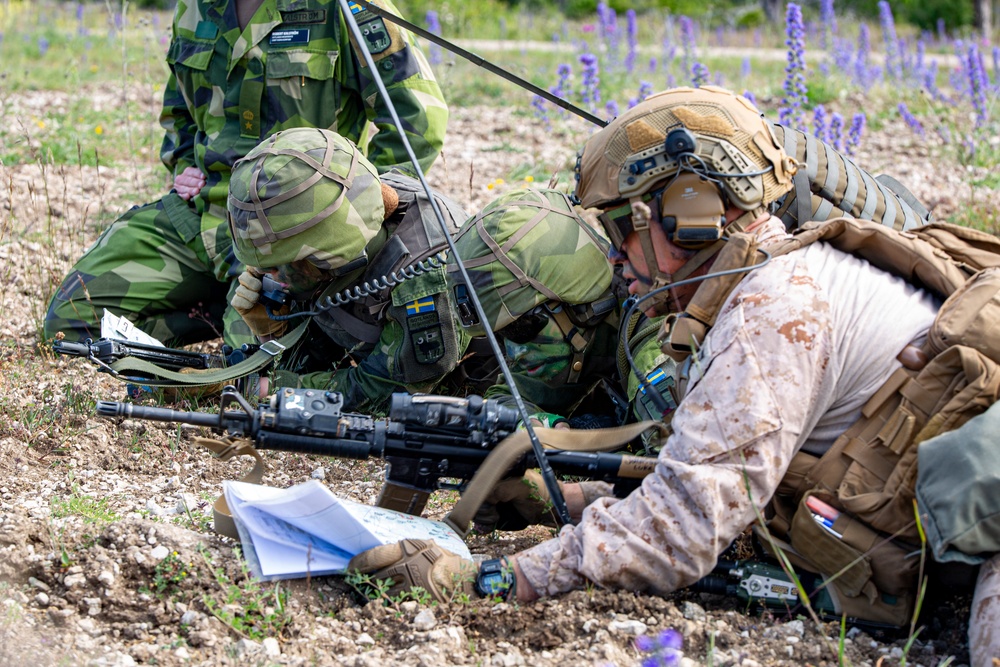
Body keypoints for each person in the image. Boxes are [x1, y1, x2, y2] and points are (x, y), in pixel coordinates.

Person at [347, 86, 1000, 662]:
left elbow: (680, 531)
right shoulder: (756, 288)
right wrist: (560, 500)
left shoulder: (771, 307)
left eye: (619, 225)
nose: (611, 252)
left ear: (691, 216)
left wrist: (484, 580)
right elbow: (709, 489)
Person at [44, 0, 448, 349]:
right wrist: (183, 162)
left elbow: (419, 120)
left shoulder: (343, 8)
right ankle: (217, 312)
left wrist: (355, 205)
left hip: (291, 233)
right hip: (204, 214)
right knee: (70, 324)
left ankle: (257, 321)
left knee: (252, 362)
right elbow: (179, 108)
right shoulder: (196, 7)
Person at [225, 126, 620, 419]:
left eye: (285, 263)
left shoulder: (422, 277)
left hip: (508, 387)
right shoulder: (363, 204)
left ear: (329, 250)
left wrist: (268, 388)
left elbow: (379, 390)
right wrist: (272, 328)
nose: (269, 272)